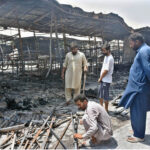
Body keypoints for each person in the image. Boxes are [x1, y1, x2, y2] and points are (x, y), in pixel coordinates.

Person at [119, 32, 150, 143]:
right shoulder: (143, 50)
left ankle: (139, 135)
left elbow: (148, 70)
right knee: (136, 110)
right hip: (138, 87)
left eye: (131, 43)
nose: (130, 45)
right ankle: (137, 130)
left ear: (137, 41)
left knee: (138, 111)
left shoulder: (143, 51)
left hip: (139, 88)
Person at [98, 43, 114, 112]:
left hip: (106, 80)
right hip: (103, 79)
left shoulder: (110, 58)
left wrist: (100, 78)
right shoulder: (106, 57)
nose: (103, 52)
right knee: (100, 94)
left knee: (105, 95)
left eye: (104, 50)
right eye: (102, 50)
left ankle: (106, 110)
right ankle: (101, 109)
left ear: (108, 50)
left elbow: (106, 70)